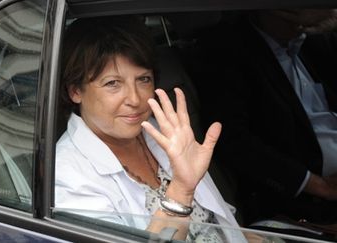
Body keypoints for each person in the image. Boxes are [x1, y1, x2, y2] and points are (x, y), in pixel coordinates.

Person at [54, 16, 247, 242]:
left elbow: (217, 217)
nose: (135, 99)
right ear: (75, 91)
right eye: (112, 84)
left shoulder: (160, 130)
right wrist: (180, 191)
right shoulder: (68, 176)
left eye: (143, 79)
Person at [195, 9, 337, 226]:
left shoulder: (316, 39)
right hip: (305, 202)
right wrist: (318, 185)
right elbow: (235, 141)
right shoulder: (228, 51)